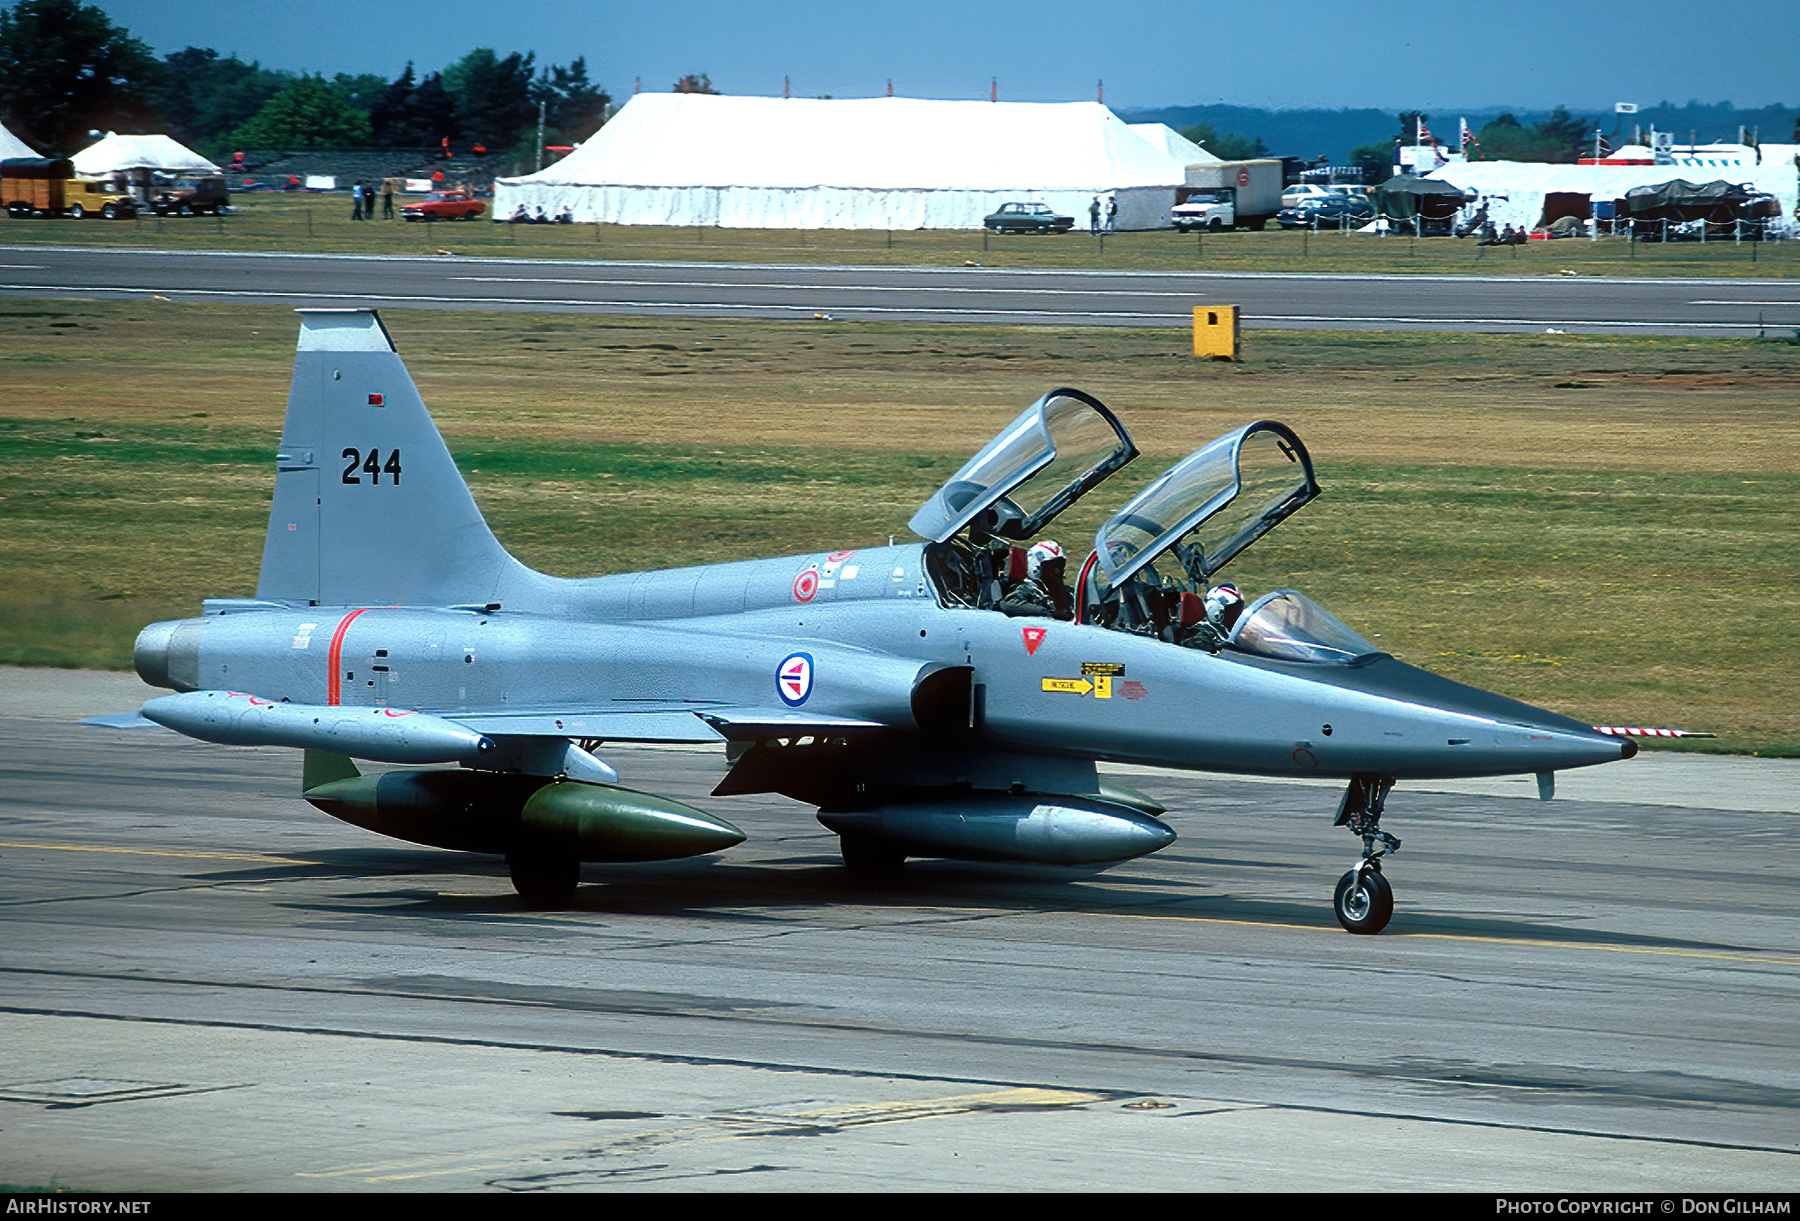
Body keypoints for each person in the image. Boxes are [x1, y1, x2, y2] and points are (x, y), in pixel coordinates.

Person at [998, 541, 1074, 621]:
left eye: (1060, 565)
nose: (1058, 571)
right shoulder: (1028, 589)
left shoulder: (1068, 592)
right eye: (1052, 566)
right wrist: (1048, 613)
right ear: (1036, 567)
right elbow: (1009, 605)